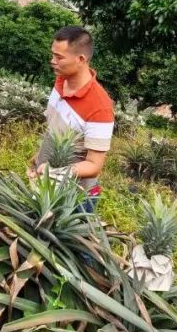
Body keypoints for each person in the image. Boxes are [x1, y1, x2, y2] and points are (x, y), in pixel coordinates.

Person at [28, 26, 114, 213]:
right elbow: (54, 128)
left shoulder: (100, 106)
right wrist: (38, 159)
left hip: (74, 198)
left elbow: (94, 165)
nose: (53, 61)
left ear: (81, 59)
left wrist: (54, 173)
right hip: (45, 184)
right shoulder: (60, 81)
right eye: (53, 55)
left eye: (59, 58)